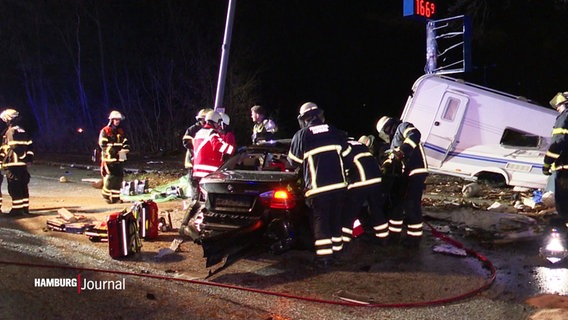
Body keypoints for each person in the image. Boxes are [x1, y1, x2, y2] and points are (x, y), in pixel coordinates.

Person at [287, 102, 349, 269]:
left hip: (318, 189)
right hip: (339, 187)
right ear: (319, 115)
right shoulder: (334, 131)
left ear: (304, 118)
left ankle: (324, 259)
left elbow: (293, 162)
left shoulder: (302, 135)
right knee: (336, 221)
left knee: (320, 223)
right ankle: (337, 254)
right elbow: (347, 154)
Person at [376, 116, 428, 248]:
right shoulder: (394, 141)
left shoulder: (402, 127)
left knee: (411, 204)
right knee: (397, 204)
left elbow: (415, 135)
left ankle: (414, 239)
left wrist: (402, 151)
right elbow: (392, 159)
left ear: (387, 128)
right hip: (403, 175)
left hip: (415, 171)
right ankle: (394, 235)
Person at [340, 136, 387, 251]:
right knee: (376, 210)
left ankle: (344, 242)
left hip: (360, 182)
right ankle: (383, 238)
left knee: (349, 213)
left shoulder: (343, 148)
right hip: (376, 180)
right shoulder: (360, 145)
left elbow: (344, 166)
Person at [0, 108, 34, 216]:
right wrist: (28, 159)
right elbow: (30, 146)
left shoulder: (10, 131)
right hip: (22, 165)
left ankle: (17, 210)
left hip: (13, 164)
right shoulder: (22, 130)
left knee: (14, 187)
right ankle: (24, 208)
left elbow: (13, 146)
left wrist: (22, 157)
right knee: (23, 186)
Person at [543, 92, 568, 235]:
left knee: (564, 207)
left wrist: (547, 165)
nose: (557, 110)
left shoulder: (565, 117)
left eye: (558, 107)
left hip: (565, 171)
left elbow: (557, 143)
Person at [191, 110, 235, 183]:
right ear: (214, 122)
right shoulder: (212, 133)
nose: (218, 125)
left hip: (197, 170)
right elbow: (218, 145)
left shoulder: (198, 133)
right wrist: (233, 150)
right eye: (218, 123)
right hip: (209, 171)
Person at [98, 110, 130, 204]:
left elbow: (125, 142)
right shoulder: (105, 131)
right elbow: (102, 144)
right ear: (111, 120)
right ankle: (106, 195)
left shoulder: (120, 131)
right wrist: (113, 151)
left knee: (119, 177)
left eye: (119, 120)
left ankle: (116, 197)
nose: (117, 121)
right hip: (109, 158)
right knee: (111, 177)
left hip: (119, 158)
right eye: (116, 119)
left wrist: (126, 149)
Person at [182, 108, 212, 200]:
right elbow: (186, 142)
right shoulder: (192, 130)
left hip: (204, 165)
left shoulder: (210, 129)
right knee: (196, 192)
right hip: (193, 164)